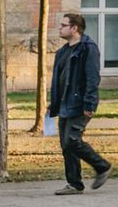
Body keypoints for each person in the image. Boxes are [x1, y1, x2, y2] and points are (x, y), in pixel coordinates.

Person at [49, 12, 111, 195]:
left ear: (74, 28)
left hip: (80, 102)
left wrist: (89, 104)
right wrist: (54, 103)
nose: (60, 28)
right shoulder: (62, 51)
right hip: (64, 102)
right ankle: (74, 184)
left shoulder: (88, 48)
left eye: (63, 25)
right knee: (66, 145)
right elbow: (59, 80)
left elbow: (92, 78)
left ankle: (102, 166)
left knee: (72, 140)